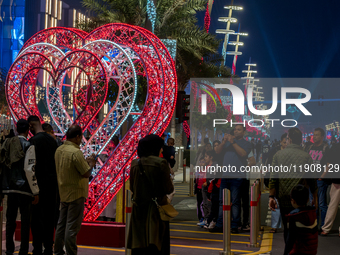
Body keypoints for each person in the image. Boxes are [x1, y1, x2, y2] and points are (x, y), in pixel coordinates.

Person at [127, 134, 174, 254]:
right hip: (156, 209)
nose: (162, 149)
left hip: (138, 210)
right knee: (157, 244)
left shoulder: (135, 164)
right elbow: (168, 189)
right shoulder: (161, 163)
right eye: (160, 147)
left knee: (139, 245)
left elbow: (132, 187)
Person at [54, 125, 96, 255]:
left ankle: (58, 251)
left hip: (64, 192)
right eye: (81, 137)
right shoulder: (75, 152)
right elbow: (86, 173)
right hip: (76, 193)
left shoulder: (59, 150)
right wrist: (91, 164)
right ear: (77, 137)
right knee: (72, 227)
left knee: (61, 225)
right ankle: (71, 252)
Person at [269, 128, 316, 242]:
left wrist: (271, 196)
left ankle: (288, 249)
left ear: (289, 139)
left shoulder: (278, 155)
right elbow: (312, 178)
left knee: (287, 227)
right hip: (301, 198)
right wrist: (314, 196)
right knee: (300, 228)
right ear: (300, 140)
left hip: (284, 197)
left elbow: (273, 177)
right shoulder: (306, 156)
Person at [0, 119, 39, 255]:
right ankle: (23, 250)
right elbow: (29, 169)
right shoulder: (29, 145)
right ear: (28, 131)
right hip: (25, 190)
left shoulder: (8, 143)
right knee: (25, 222)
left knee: (10, 220)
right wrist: (35, 191)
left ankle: (9, 249)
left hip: (10, 188)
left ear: (16, 129)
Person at [210, 125, 251, 233]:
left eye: (239, 130)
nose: (236, 131)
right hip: (225, 176)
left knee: (235, 201)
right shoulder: (227, 143)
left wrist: (233, 142)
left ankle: (234, 225)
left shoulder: (246, 144)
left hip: (237, 176)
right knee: (221, 201)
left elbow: (243, 153)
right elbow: (217, 151)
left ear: (244, 132)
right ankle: (219, 224)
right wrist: (224, 141)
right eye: (235, 130)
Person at [27, 115, 58, 255]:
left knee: (37, 219)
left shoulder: (33, 142)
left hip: (38, 187)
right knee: (49, 218)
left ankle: (37, 247)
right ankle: (48, 247)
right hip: (52, 186)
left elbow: (30, 166)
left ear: (31, 126)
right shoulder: (52, 141)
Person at [284, 185, 318, 255]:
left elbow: (290, 240)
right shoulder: (312, 213)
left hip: (299, 251)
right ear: (308, 199)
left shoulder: (294, 216)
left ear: (292, 201)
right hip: (312, 251)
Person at [306, 128, 329, 229]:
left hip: (320, 180)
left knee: (321, 204)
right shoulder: (309, 147)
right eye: (314, 135)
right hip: (311, 179)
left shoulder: (325, 148)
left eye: (317, 135)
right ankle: (315, 224)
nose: (314, 137)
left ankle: (322, 225)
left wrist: (322, 177)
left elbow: (329, 164)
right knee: (313, 204)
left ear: (322, 136)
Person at [265, 133, 287, 233]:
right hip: (277, 179)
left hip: (287, 180)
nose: (286, 144)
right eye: (284, 142)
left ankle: (287, 224)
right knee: (275, 203)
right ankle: (274, 226)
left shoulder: (291, 153)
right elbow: (269, 164)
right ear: (281, 142)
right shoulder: (274, 151)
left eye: (288, 141)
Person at [320, 142, 340, 237]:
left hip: (337, 180)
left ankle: (326, 228)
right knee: (333, 205)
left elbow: (330, 163)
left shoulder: (335, 146)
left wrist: (323, 176)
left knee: (333, 205)